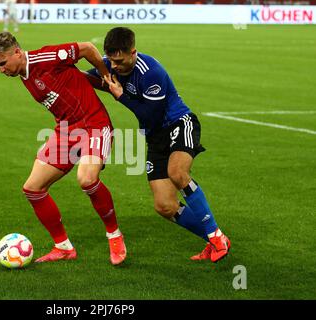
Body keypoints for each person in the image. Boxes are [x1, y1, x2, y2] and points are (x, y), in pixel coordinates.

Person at [86, 27, 230, 263]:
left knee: (177, 172)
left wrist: (121, 96)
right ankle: (216, 239)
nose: (115, 67)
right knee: (164, 206)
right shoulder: (111, 64)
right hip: (155, 138)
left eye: (120, 61)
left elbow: (150, 115)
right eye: (111, 61)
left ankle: (215, 236)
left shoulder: (151, 72)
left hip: (179, 124)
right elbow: (89, 76)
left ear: (133, 52)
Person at [0, 32, 126, 265]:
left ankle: (114, 235)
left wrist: (107, 77)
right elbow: (73, 78)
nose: (1, 70)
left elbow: (88, 49)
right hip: (66, 130)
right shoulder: (24, 73)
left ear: (18, 53)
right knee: (32, 188)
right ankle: (63, 247)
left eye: (2, 63)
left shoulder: (47, 57)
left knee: (87, 179)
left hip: (93, 123)